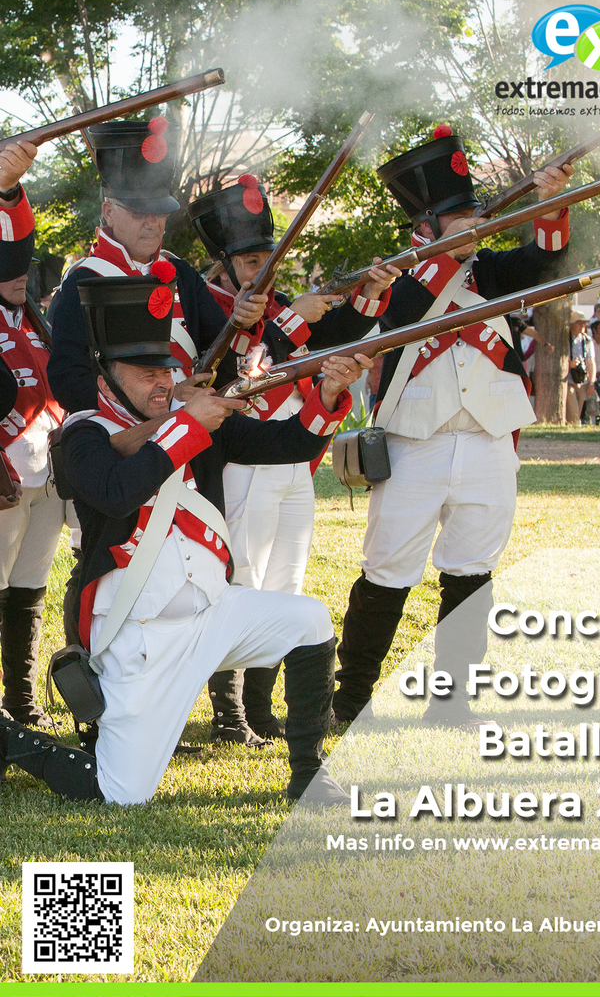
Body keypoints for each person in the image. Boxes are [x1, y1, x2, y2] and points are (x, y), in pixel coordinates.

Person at [1, 270, 372, 806]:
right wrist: (187, 425)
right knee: (119, 794)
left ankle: (309, 776)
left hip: (212, 612)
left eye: (168, 369)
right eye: (144, 371)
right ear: (105, 375)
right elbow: (114, 491)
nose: (162, 382)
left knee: (310, 620)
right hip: (140, 637)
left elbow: (286, 442)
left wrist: (329, 393)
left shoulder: (189, 420)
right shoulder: (83, 434)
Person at [332, 124, 574, 727]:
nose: (474, 223)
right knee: (388, 571)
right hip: (417, 441)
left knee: (472, 570)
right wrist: (438, 259)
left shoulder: (490, 272)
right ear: (428, 226)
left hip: (490, 438)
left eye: (475, 213)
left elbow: (543, 259)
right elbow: (358, 328)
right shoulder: (399, 281)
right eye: (461, 215)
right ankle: (352, 696)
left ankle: (454, 701)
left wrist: (554, 199)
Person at [46, 120, 267, 746]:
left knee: (200, 566)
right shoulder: (82, 280)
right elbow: (67, 380)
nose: (153, 224)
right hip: (120, 451)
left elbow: (218, 361)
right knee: (102, 570)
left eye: (160, 214)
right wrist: (146, 424)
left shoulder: (181, 274)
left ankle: (194, 708)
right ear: (110, 210)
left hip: (190, 457)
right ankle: (97, 714)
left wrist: (244, 324)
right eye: (140, 214)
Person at [187, 176, 400, 738]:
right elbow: (235, 374)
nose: (263, 269)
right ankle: (228, 711)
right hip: (240, 464)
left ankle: (258, 708)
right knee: (243, 581)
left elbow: (348, 328)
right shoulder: (208, 309)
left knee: (284, 582)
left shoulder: (282, 306)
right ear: (225, 264)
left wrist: (372, 290)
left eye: (269, 257)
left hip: (293, 461)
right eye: (252, 258)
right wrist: (292, 320)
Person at [0, 139, 65, 732]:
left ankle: (21, 703)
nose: (19, 277)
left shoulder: (37, 324)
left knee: (30, 591)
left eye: (27, 270)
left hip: (47, 476)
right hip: (5, 477)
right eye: (9, 268)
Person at [567, 314, 596, 424]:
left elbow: (591, 362)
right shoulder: (565, 339)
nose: (582, 325)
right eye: (579, 323)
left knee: (579, 409)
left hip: (582, 380)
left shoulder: (587, 340)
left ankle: (573, 427)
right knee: (573, 409)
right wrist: (568, 364)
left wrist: (592, 382)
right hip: (567, 379)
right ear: (571, 325)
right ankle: (575, 426)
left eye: (584, 323)